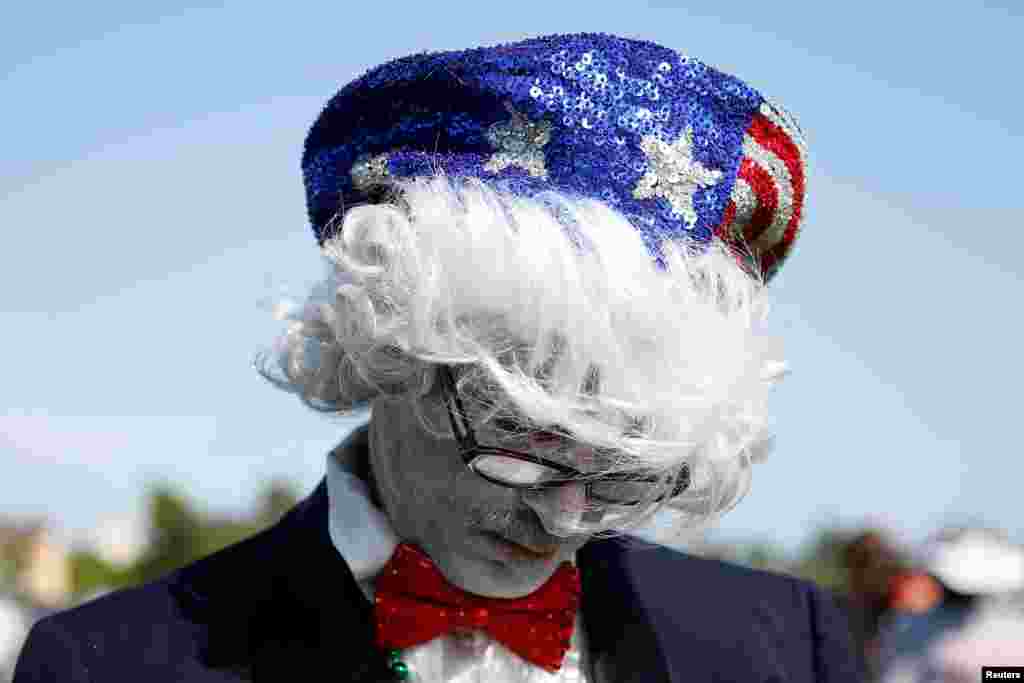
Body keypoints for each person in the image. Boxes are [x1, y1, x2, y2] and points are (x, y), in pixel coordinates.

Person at [14, 33, 860, 682]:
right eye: (525, 449)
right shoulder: (108, 664)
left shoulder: (787, 644)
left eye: (621, 475)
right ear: (396, 352)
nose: (566, 516)